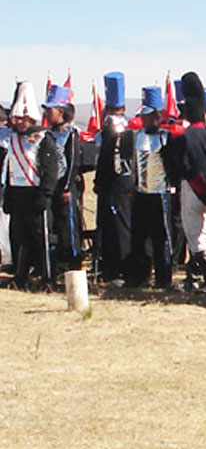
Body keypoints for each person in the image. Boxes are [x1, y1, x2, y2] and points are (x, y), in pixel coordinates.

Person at [2, 81, 57, 288]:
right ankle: (20, 276)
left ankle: (48, 277)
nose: (18, 123)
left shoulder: (43, 138)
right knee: (19, 237)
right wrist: (8, 195)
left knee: (41, 238)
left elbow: (50, 170)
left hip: (36, 194)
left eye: (22, 119)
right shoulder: (12, 139)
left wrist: (45, 194)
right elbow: (9, 168)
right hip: (17, 194)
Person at [123, 86, 176, 289]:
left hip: (160, 193)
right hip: (141, 193)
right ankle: (139, 274)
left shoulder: (166, 137)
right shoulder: (135, 137)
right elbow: (128, 163)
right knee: (138, 236)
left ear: (158, 116)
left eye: (150, 116)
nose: (146, 120)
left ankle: (163, 277)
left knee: (161, 236)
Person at [175, 72, 206, 293]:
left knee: (195, 237)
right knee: (203, 234)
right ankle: (193, 277)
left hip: (192, 188)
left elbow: (180, 166)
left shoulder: (183, 138)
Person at [93, 71, 133, 282]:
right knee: (114, 226)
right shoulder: (130, 127)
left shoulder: (110, 130)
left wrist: (99, 182)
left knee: (117, 228)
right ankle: (113, 266)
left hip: (115, 184)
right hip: (122, 183)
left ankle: (118, 267)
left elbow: (105, 160)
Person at [43, 84, 86, 274]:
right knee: (54, 224)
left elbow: (73, 162)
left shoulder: (71, 133)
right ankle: (57, 260)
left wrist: (67, 187)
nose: (46, 114)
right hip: (51, 185)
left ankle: (73, 259)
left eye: (49, 110)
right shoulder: (48, 134)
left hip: (66, 186)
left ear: (59, 111)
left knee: (68, 223)